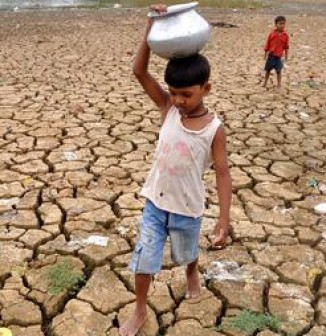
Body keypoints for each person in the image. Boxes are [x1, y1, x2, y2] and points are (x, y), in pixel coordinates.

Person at [119, 4, 232, 336]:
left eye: (187, 94)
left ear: (206, 89)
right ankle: (139, 309)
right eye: (174, 93)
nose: (179, 100)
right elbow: (139, 72)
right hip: (155, 202)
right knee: (144, 259)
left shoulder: (214, 129)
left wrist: (223, 219)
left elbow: (223, 173)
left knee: (186, 252)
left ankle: (191, 271)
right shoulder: (166, 107)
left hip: (187, 208)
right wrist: (150, 25)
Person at [263, 15, 289, 89]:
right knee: (268, 70)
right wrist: (265, 54)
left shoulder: (285, 35)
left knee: (279, 71)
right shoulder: (272, 34)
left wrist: (286, 56)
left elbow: (286, 47)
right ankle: (265, 82)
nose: (282, 25)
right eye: (280, 23)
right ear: (276, 24)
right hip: (271, 56)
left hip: (278, 57)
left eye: (283, 23)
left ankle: (279, 84)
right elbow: (267, 44)